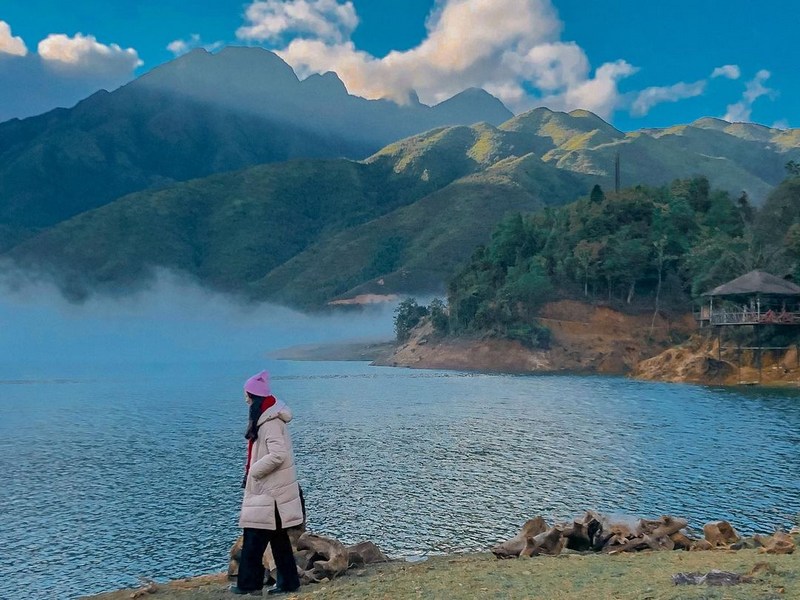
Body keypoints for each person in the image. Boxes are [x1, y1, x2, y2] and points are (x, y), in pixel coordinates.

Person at [229, 370, 303, 596]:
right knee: (278, 540)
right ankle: (288, 583)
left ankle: (248, 585)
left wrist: (254, 471)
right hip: (274, 491)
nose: (245, 399)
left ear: (254, 396)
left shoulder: (269, 421)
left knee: (253, 538)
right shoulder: (267, 416)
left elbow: (278, 454)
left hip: (271, 491)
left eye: (247, 394)